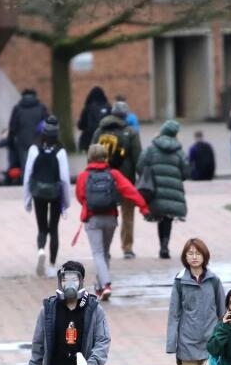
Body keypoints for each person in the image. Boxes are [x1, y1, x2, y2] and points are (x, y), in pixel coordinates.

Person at [167, 238, 226, 365]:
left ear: (204, 256)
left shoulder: (214, 280)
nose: (194, 257)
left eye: (197, 253)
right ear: (185, 257)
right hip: (187, 342)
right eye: (190, 253)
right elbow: (174, 313)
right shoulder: (180, 281)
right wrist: (171, 343)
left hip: (211, 342)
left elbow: (223, 312)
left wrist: (225, 338)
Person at [76, 144, 149, 300]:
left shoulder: (83, 176)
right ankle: (100, 286)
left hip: (92, 218)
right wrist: (143, 207)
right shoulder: (114, 174)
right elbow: (130, 190)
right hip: (110, 218)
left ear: (89, 157)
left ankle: (106, 284)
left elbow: (80, 196)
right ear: (105, 157)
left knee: (98, 253)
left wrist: (88, 205)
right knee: (105, 253)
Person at [91, 101, 142, 259]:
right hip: (125, 180)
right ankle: (127, 248)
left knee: (106, 213)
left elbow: (92, 153)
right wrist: (139, 177)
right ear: (125, 115)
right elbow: (137, 158)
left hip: (103, 179)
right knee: (127, 215)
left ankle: (105, 248)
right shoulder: (130, 132)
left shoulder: (99, 131)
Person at [23, 117, 71, 277]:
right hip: (55, 193)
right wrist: (66, 202)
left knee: (41, 227)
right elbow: (64, 179)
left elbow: (28, 175)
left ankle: (41, 250)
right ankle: (51, 265)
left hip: (38, 192)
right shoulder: (61, 151)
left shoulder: (34, 149)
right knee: (54, 228)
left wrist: (27, 199)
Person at [136, 119, 190, 259]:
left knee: (160, 217)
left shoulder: (151, 149)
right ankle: (164, 246)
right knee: (167, 219)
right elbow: (186, 173)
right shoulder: (179, 151)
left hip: (154, 190)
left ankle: (163, 246)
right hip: (173, 190)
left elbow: (140, 167)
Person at [8, 88, 49, 185]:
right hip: (39, 141)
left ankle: (25, 185)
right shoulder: (41, 107)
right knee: (38, 164)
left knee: (25, 165)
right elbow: (47, 124)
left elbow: (13, 126)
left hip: (22, 141)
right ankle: (38, 184)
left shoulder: (17, 108)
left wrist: (10, 141)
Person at [76, 86, 109, 153]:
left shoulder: (88, 108)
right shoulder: (108, 107)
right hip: (106, 139)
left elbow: (82, 124)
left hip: (90, 139)